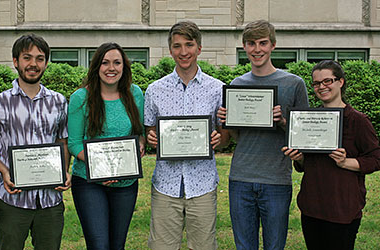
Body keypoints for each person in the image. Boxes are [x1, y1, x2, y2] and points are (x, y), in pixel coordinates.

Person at [217, 20, 309, 250]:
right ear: (244, 47)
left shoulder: (294, 84)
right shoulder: (237, 85)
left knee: (274, 246)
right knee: (244, 246)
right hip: (241, 178)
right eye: (251, 44)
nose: (257, 49)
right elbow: (237, 136)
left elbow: (304, 135)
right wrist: (226, 122)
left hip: (276, 180)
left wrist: (282, 121)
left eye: (262, 43)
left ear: (273, 45)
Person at [144, 21, 229, 250]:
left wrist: (220, 140)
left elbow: (226, 135)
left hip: (202, 184)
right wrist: (152, 137)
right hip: (165, 184)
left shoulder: (217, 89)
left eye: (189, 45)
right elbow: (150, 128)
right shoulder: (155, 90)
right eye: (177, 46)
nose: (184, 52)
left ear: (199, 48)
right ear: (170, 50)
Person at [0, 34, 71, 250]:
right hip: (13, 199)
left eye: (40, 58)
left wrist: (64, 171)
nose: (33, 64)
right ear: (15, 62)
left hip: (50, 199)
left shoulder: (58, 102)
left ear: (46, 63)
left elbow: (62, 141)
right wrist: (4, 171)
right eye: (27, 57)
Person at [282, 60, 380, 250]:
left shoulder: (358, 121)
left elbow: (376, 159)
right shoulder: (309, 119)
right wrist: (299, 158)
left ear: (340, 82)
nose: (322, 87)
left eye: (327, 81)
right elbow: (306, 164)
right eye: (317, 83)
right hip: (312, 207)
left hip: (342, 209)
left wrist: (346, 162)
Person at [67, 42, 145, 250]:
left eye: (117, 63)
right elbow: (74, 143)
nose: (111, 68)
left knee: (117, 245)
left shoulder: (135, 94)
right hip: (88, 181)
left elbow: (140, 135)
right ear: (96, 67)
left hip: (126, 183)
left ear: (124, 66)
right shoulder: (80, 98)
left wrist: (140, 146)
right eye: (105, 63)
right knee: (99, 245)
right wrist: (102, 167)